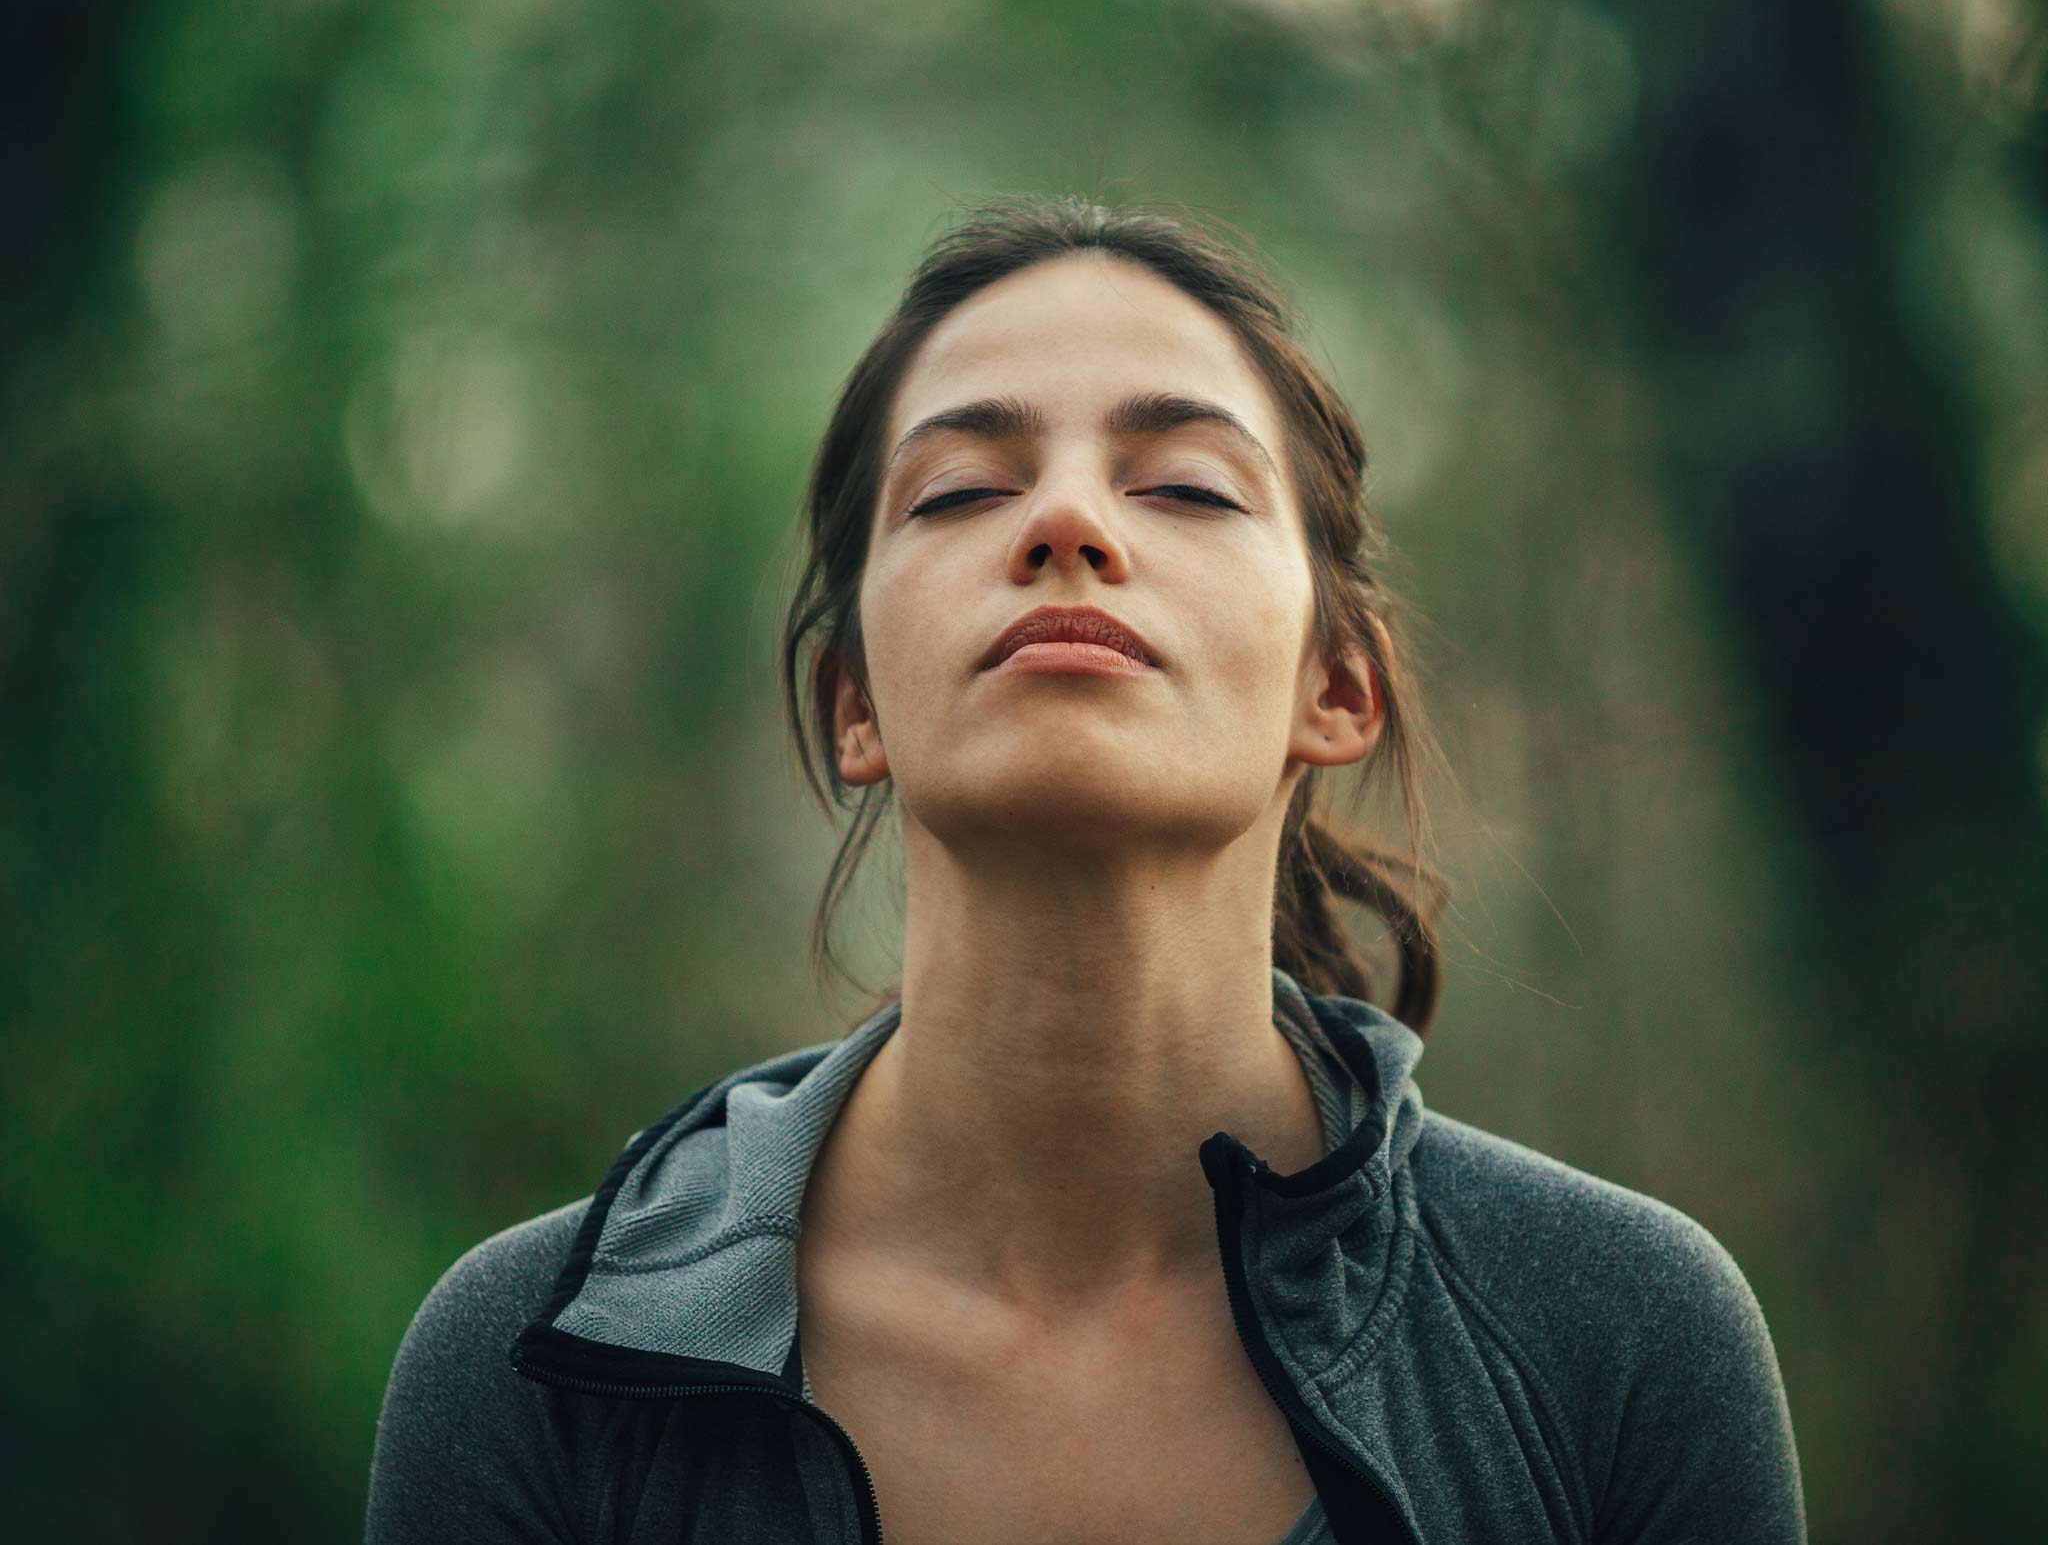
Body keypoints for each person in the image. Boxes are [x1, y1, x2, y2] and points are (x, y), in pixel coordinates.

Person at [364, 195, 1807, 1544]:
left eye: (1185, 484)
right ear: (851, 705)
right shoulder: (535, 1367)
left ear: (1339, 687)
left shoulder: (1623, 1340)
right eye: (958, 491)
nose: (1068, 523)